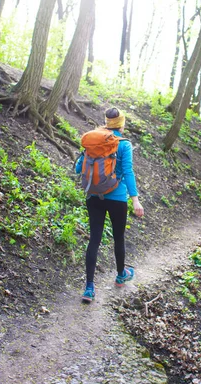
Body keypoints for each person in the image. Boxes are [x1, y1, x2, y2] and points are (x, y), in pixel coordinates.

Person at [75, 107, 144, 303]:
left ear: (106, 122)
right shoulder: (124, 144)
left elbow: (79, 167)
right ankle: (121, 274)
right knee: (118, 237)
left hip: (93, 195)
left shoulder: (95, 140)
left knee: (94, 239)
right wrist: (136, 200)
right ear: (122, 124)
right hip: (117, 197)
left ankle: (89, 288)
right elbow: (128, 172)